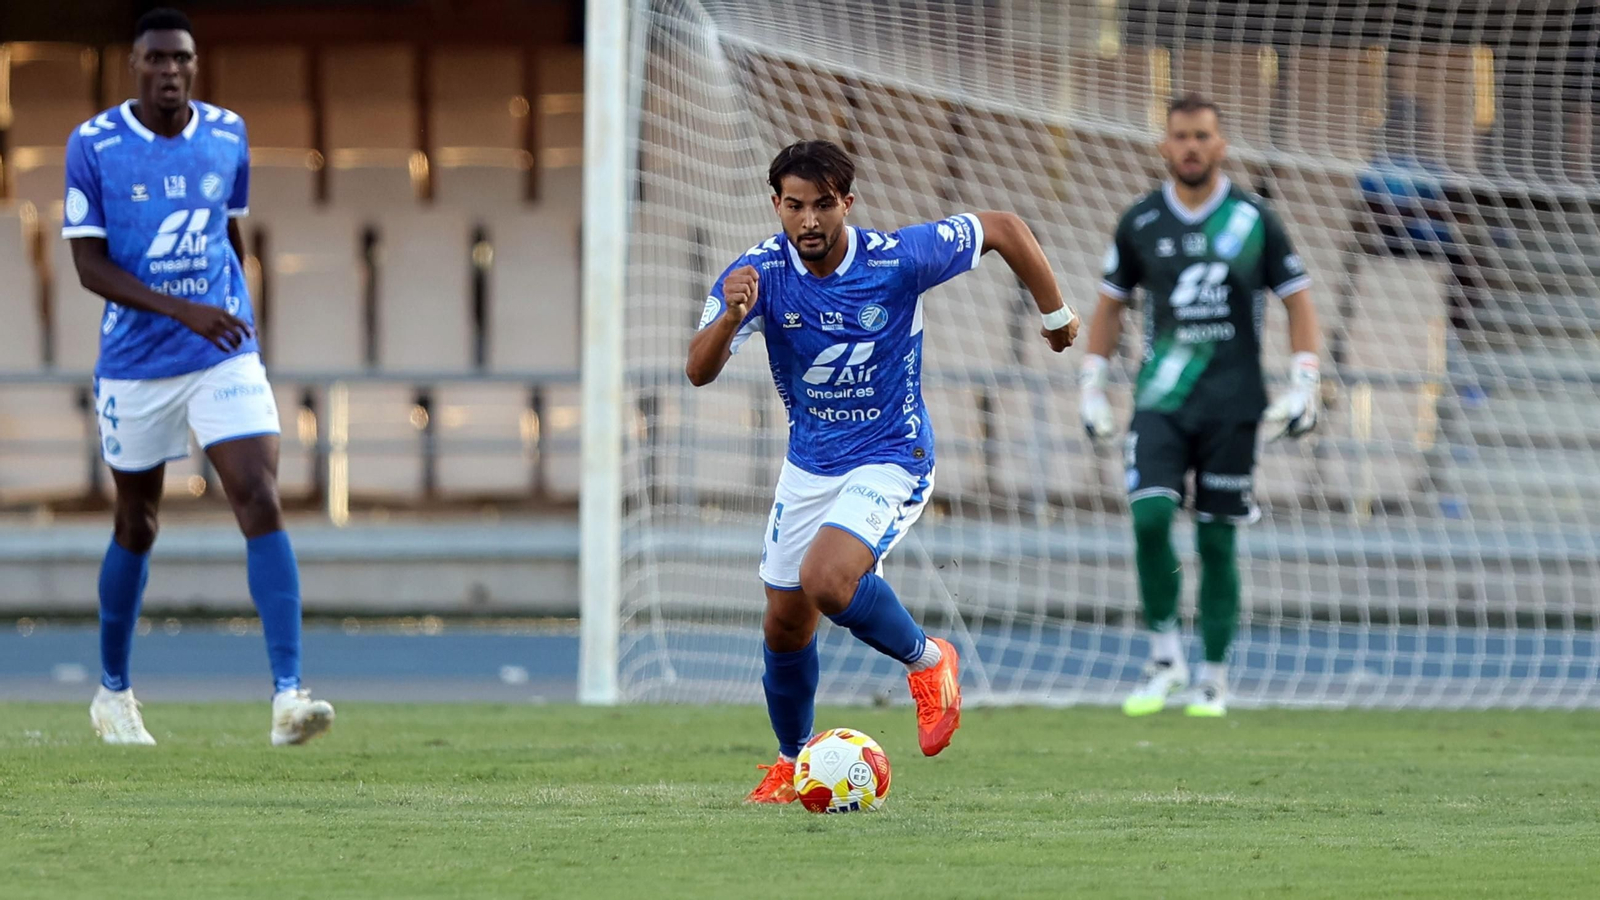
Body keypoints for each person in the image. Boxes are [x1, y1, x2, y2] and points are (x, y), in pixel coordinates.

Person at [685, 139, 1079, 802]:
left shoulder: (896, 259)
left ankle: (930, 663)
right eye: (793, 205)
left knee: (827, 580)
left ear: (847, 203)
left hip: (892, 456)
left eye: (821, 205)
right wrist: (729, 315)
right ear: (775, 204)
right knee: (784, 620)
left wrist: (1057, 316)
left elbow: (1005, 229)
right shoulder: (755, 274)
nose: (807, 220)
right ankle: (792, 760)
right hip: (810, 466)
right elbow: (697, 370)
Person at [64, 8, 334, 745]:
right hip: (136, 363)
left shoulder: (227, 133)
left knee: (259, 493)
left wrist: (235, 310)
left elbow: (229, 229)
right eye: (157, 59)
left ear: (194, 64)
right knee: (137, 522)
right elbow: (88, 266)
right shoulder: (94, 145)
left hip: (221, 353)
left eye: (182, 58)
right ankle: (113, 694)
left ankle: (288, 696)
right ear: (135, 66)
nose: (171, 71)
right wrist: (184, 310)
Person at [1078, 94, 1323, 717]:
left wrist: (1305, 382)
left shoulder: (1254, 219)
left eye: (1202, 136)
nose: (1191, 146)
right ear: (1164, 147)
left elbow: (1297, 300)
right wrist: (1091, 384)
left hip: (1234, 404)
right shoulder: (1140, 220)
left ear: (1221, 145)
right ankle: (1164, 662)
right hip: (1160, 399)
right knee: (1150, 519)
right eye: (1180, 136)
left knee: (1217, 542)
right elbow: (1110, 304)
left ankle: (1212, 677)